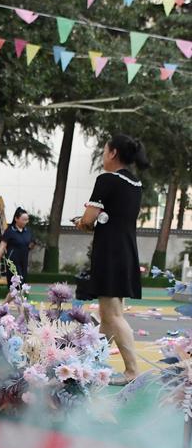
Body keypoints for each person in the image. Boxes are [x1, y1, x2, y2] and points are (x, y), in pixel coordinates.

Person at [73, 134, 149, 386]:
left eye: (105, 150)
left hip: (109, 251)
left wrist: (82, 223)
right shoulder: (135, 183)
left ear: (113, 153)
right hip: (126, 248)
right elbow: (116, 216)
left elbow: (88, 219)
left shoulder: (106, 180)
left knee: (114, 315)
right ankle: (87, 363)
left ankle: (132, 371)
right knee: (107, 317)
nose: (103, 154)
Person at [0, 207, 34, 294]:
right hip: (13, 262)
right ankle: (7, 305)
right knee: (17, 285)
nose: (26, 222)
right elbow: (2, 248)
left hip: (24, 262)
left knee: (22, 286)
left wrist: (28, 248)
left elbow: (32, 243)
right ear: (16, 219)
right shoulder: (10, 231)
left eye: (27, 220)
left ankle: (11, 305)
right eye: (23, 219)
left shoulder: (28, 231)